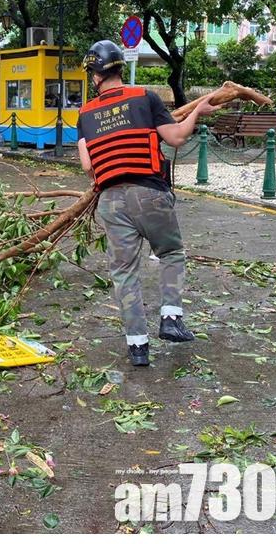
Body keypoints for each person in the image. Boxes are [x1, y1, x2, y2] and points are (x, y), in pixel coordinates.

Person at [76, 40, 222, 368]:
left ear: (95, 76)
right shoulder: (145, 97)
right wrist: (198, 110)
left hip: (111, 203)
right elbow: (176, 137)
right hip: (150, 194)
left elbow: (87, 165)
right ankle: (171, 318)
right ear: (116, 68)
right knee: (170, 253)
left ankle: (137, 347)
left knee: (124, 272)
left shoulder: (84, 114)